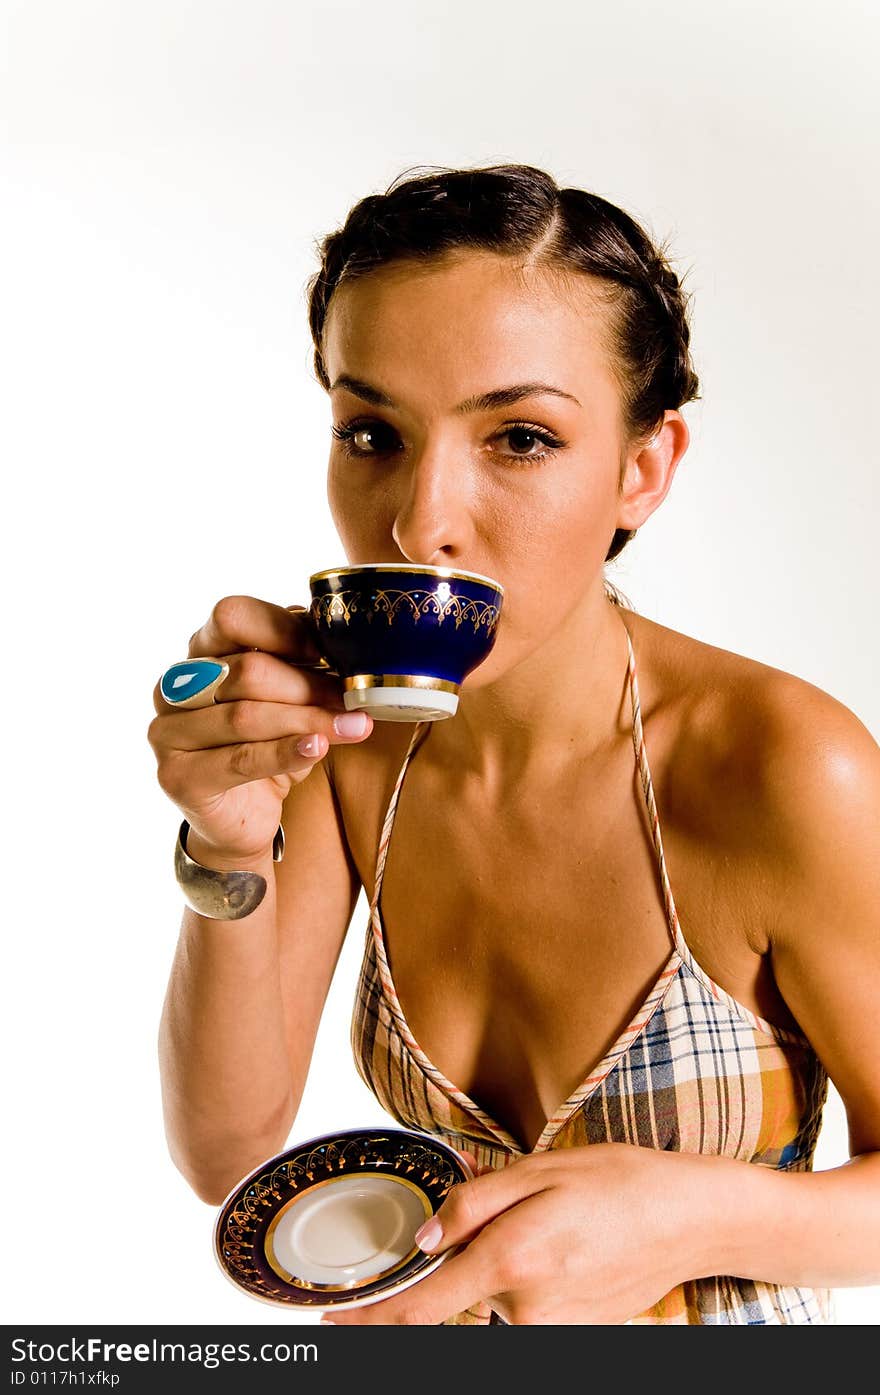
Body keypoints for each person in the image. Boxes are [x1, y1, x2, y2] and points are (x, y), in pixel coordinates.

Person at [148, 163, 880, 1326]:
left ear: (643, 471)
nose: (420, 521)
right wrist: (228, 838)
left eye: (521, 438)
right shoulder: (347, 746)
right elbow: (226, 1153)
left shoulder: (782, 767)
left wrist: (689, 1216)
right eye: (373, 430)